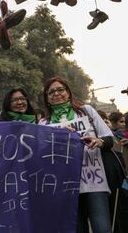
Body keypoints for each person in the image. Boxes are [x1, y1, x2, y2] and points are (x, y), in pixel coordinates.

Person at [40, 76, 121, 233]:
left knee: (102, 228)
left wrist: (99, 141)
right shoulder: (44, 123)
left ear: (68, 93)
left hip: (94, 183)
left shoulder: (87, 111)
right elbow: (41, 155)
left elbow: (110, 139)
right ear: (47, 98)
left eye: (60, 89)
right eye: (51, 92)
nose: (56, 93)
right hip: (66, 187)